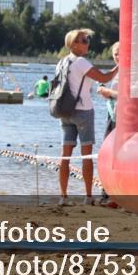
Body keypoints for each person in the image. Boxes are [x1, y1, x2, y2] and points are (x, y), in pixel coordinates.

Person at [58, 28, 119, 206]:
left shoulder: (62, 62)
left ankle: (63, 196)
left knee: (65, 156)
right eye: (84, 40)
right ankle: (88, 196)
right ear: (73, 44)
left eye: (87, 40)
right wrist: (120, 65)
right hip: (83, 112)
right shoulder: (81, 62)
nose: (87, 43)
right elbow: (105, 77)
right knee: (86, 155)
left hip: (65, 112)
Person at [95, 42, 120, 206]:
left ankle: (110, 196)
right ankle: (106, 195)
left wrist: (107, 92)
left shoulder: (129, 71)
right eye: (115, 53)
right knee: (106, 155)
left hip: (121, 118)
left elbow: (124, 94)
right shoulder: (117, 71)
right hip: (111, 115)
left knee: (112, 155)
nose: (118, 56)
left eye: (120, 53)